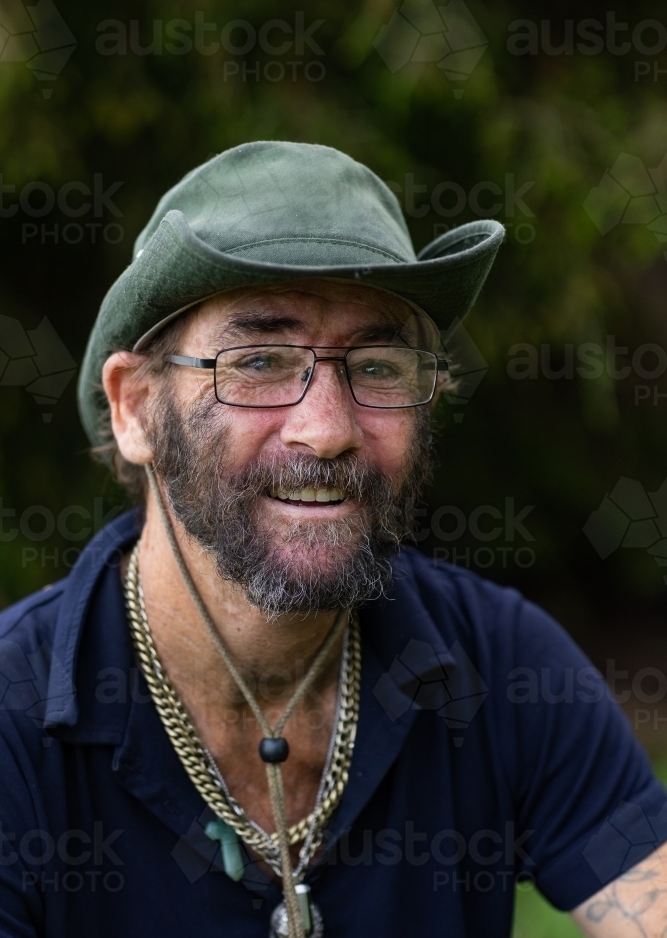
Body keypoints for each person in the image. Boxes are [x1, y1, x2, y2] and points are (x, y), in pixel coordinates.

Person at [1, 141, 665, 938]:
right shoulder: (15, 720)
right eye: (259, 362)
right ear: (135, 409)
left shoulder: (501, 665)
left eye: (378, 367)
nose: (326, 431)